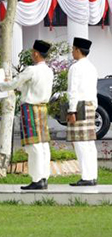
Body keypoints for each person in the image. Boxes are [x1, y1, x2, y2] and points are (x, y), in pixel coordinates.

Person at [0, 40, 53, 190]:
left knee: (33, 145)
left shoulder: (31, 69)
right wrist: (11, 83)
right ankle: (43, 178)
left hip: (31, 109)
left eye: (32, 52)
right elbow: (25, 86)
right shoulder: (48, 71)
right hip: (42, 108)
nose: (32, 54)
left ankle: (37, 179)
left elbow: (14, 84)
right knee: (43, 145)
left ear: (36, 53)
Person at [67, 37, 98, 186]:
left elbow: (73, 90)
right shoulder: (92, 67)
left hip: (79, 106)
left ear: (78, 50)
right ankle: (92, 176)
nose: (72, 52)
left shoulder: (76, 67)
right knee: (90, 143)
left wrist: (71, 110)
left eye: (73, 49)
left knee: (80, 143)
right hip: (91, 105)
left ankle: (86, 177)